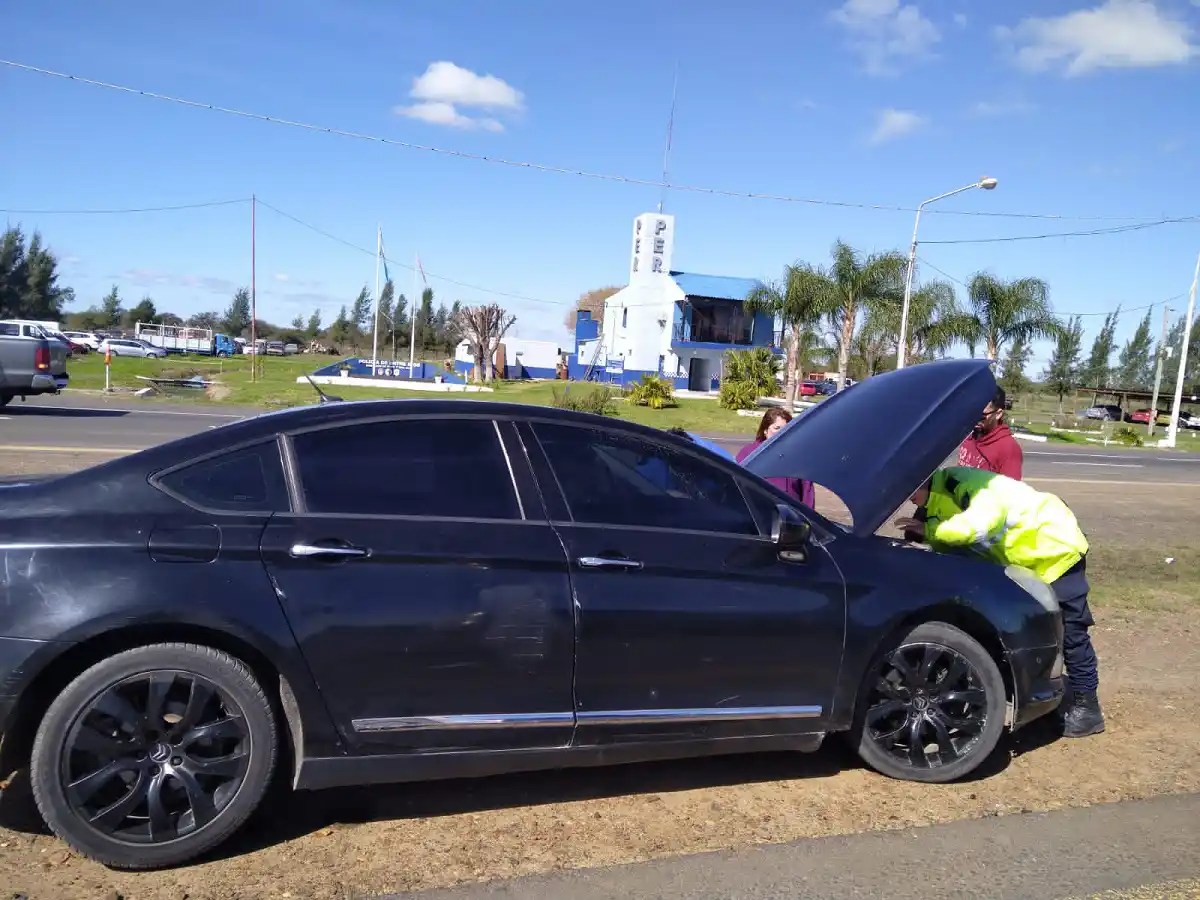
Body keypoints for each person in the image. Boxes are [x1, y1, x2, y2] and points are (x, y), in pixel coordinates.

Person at [894, 466, 1104, 739]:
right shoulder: (932, 507)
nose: (907, 496)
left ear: (925, 478)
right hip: (1023, 565)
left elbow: (981, 524)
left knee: (1071, 633)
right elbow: (953, 553)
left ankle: (1088, 709)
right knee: (1035, 631)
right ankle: (1046, 696)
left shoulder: (961, 483)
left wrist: (931, 530)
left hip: (1055, 549)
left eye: (910, 487)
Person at [735, 408, 816, 509]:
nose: (782, 432)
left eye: (786, 428)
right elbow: (736, 484)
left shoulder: (798, 456)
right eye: (777, 428)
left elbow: (807, 492)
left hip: (791, 514)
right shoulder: (748, 453)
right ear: (765, 430)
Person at [958, 386, 1023, 480]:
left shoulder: (1009, 448)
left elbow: (1010, 488)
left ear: (998, 414)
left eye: (982, 416)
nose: (975, 419)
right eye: (973, 413)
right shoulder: (971, 434)